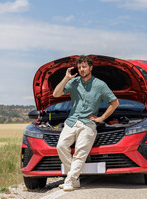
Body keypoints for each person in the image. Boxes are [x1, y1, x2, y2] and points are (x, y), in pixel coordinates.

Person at [53, 55, 119, 191]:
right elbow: (56, 94)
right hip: (71, 121)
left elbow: (115, 102)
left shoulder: (100, 85)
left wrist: (101, 118)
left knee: (80, 152)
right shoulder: (74, 82)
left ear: (90, 67)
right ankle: (74, 178)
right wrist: (66, 78)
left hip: (88, 124)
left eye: (84, 67)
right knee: (61, 146)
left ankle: (70, 180)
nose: (82, 70)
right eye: (79, 67)